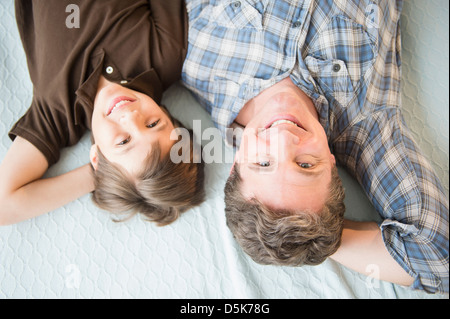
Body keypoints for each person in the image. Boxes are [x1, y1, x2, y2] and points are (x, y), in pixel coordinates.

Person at [181, 0, 449, 293]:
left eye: (263, 163)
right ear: (332, 163)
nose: (284, 138)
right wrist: (316, 236)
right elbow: (438, 261)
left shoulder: (196, 62)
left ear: (236, 164)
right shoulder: (366, 124)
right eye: (306, 164)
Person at [0, 0, 205, 226]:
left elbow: (4, 206)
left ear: (96, 158)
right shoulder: (165, 55)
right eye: (153, 123)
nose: (131, 117)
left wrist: (104, 175)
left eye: (124, 141)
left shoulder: (57, 115)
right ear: (166, 115)